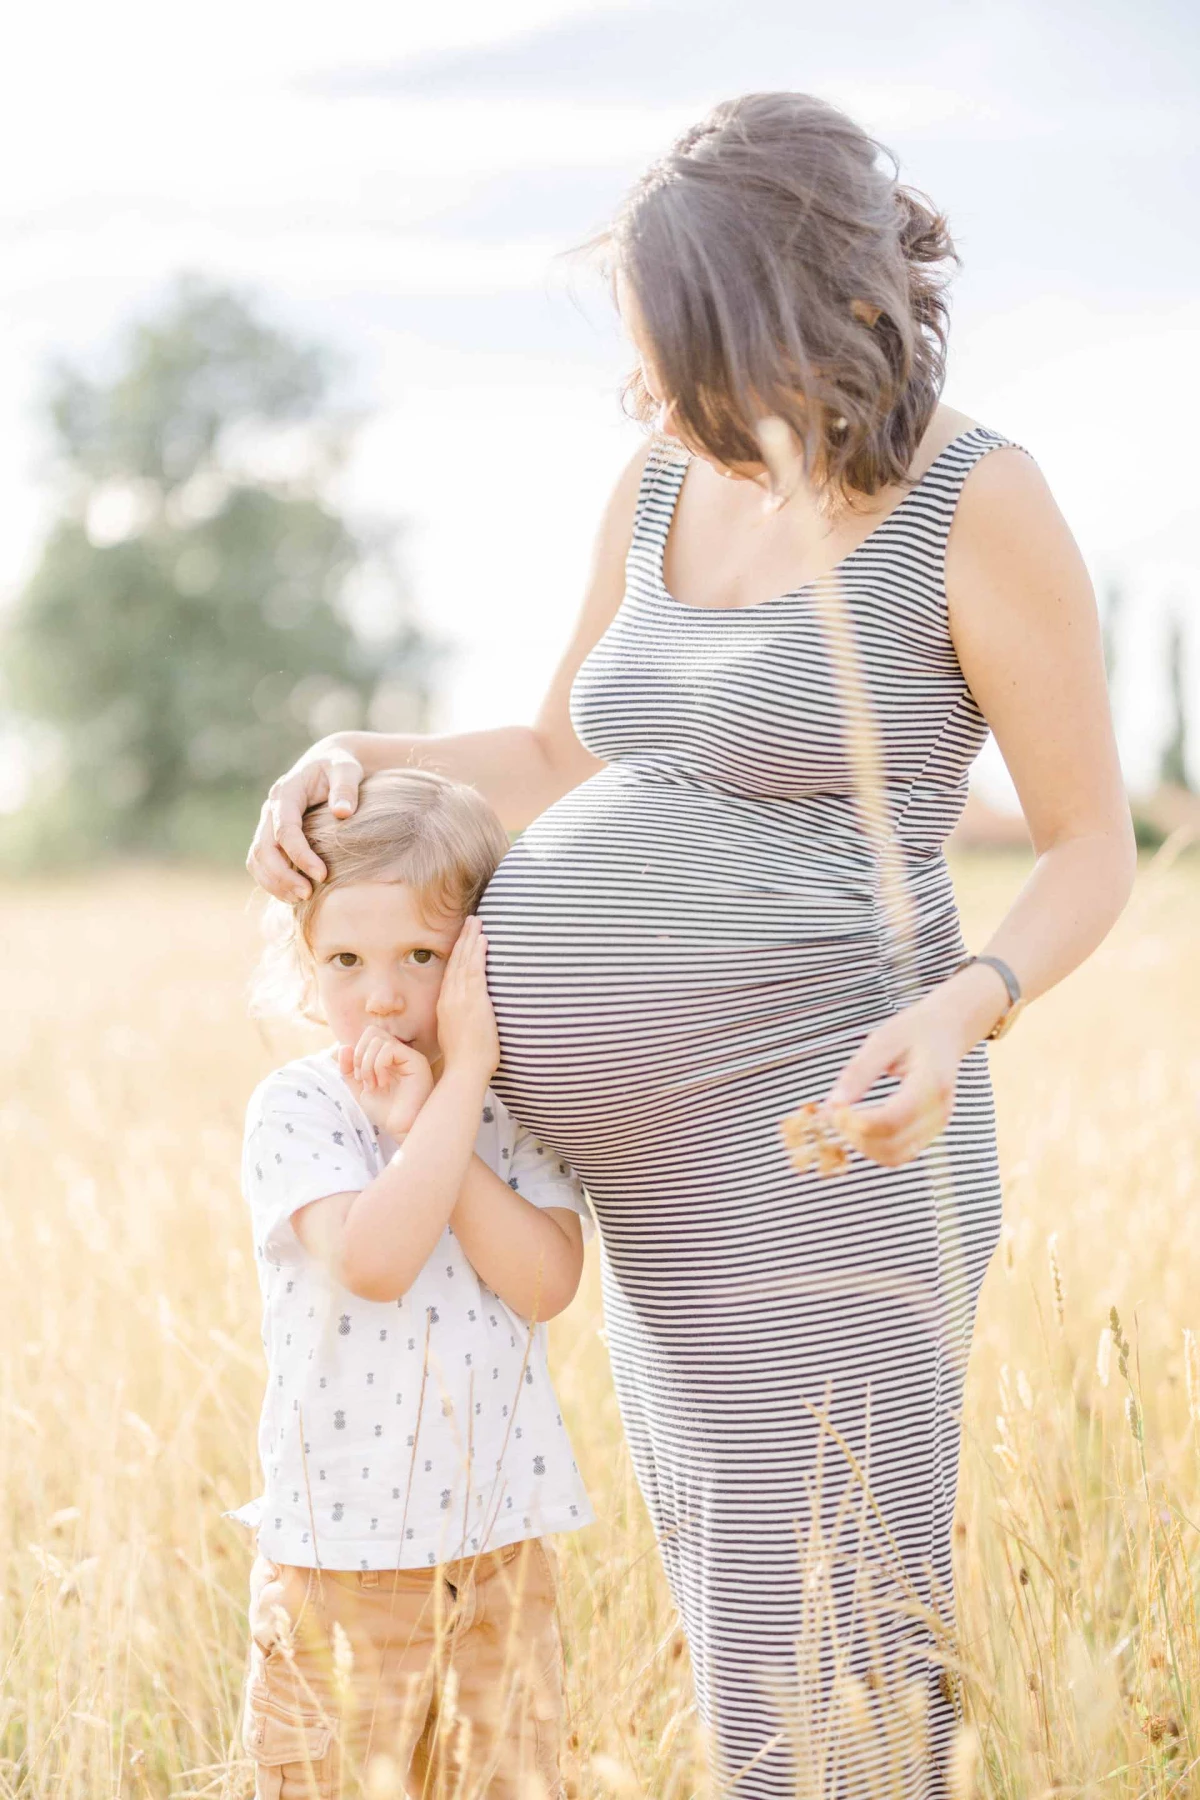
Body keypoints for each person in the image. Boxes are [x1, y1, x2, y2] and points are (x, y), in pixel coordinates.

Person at [246, 92, 1136, 1799]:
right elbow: (562, 753)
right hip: (647, 1187)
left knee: (833, 1682)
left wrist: (970, 1009)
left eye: (691, 362)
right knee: (750, 1655)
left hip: (823, 1146)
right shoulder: (659, 478)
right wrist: (360, 754)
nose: (660, 403)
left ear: (812, 314)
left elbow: (1094, 844)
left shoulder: (977, 499)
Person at [227, 768, 594, 1800]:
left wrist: (462, 1087)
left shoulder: (515, 1109)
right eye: (344, 959)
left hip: (500, 1566)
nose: (381, 994)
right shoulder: (299, 1108)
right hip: (341, 1569)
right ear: (307, 964)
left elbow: (545, 1281)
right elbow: (376, 1262)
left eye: (422, 957)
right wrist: (431, 1110)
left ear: (480, 955)